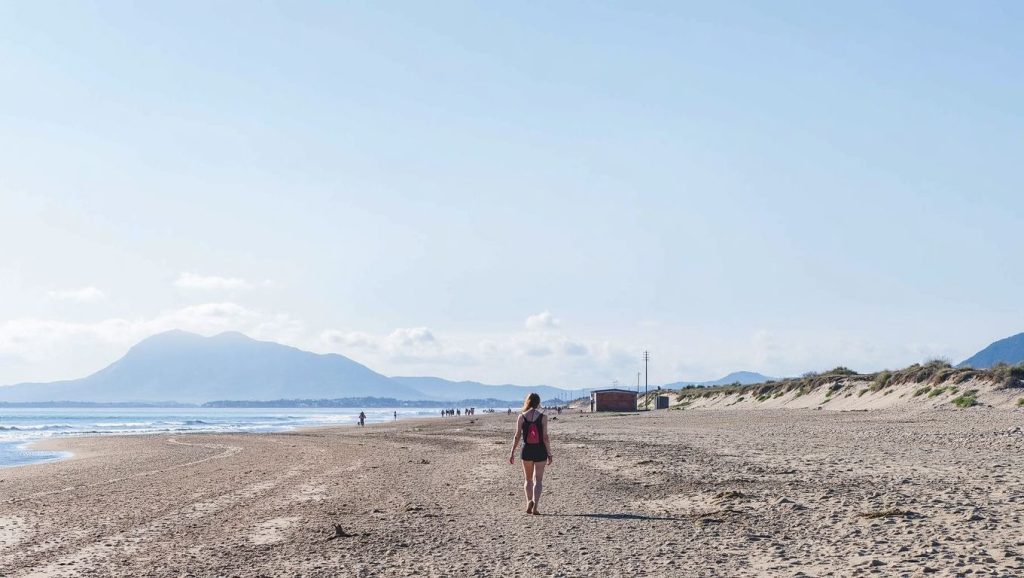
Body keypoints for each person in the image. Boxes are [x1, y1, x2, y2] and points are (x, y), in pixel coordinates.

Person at [508, 392, 553, 515]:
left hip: (526, 450)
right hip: (540, 450)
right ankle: (535, 506)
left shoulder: (521, 417)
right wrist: (549, 454)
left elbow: (517, 436)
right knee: (538, 480)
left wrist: (512, 452)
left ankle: (529, 501)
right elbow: (545, 437)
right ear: (538, 402)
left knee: (528, 480)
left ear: (527, 402)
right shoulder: (543, 417)